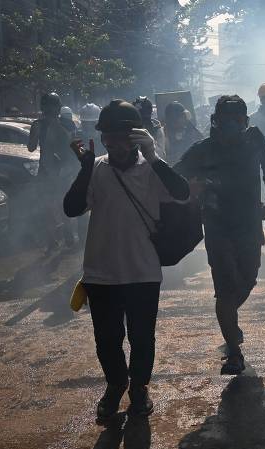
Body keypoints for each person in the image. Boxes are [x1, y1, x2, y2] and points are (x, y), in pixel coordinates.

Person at [63, 100, 190, 418]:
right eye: (108, 138)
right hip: (100, 273)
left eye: (122, 137)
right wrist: (84, 168)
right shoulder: (97, 169)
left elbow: (182, 193)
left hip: (143, 271)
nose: (115, 144)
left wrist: (154, 155)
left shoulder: (151, 169)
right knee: (107, 340)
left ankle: (139, 388)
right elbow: (72, 208)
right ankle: (116, 385)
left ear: (136, 137)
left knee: (142, 338)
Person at [174, 95, 265, 375]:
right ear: (216, 122)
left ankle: (230, 321)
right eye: (225, 121)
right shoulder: (203, 149)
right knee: (224, 288)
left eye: (237, 121)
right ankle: (234, 351)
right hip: (218, 225)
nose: (231, 126)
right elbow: (175, 175)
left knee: (248, 279)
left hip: (249, 222)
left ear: (245, 122)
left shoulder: (255, 140)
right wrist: (195, 186)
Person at [28, 92, 78, 251]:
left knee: (62, 205)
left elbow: (74, 145)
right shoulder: (38, 125)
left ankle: (67, 237)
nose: (49, 109)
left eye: (52, 106)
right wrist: (38, 130)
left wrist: (55, 126)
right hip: (48, 171)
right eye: (47, 106)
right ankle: (53, 241)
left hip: (62, 170)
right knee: (47, 207)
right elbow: (31, 147)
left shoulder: (67, 124)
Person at [163, 101, 202, 165]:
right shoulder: (163, 134)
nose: (185, 119)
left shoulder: (189, 129)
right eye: (182, 117)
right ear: (173, 119)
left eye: (184, 117)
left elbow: (200, 141)